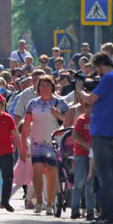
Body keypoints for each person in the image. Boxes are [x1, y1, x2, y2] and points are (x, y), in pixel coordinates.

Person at [74, 52, 113, 224]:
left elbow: (90, 99)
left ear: (102, 64)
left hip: (102, 130)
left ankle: (109, 215)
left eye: (97, 70)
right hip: (109, 129)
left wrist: (79, 88)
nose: (97, 74)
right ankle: (111, 213)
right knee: (110, 173)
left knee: (105, 175)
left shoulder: (109, 78)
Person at [22, 75, 69, 215]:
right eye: (41, 85)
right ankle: (39, 202)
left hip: (53, 142)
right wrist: (23, 142)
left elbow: (70, 121)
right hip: (36, 142)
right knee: (36, 171)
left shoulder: (60, 102)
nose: (44, 88)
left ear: (53, 86)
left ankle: (49, 203)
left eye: (47, 85)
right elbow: (26, 124)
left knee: (51, 172)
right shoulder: (33, 103)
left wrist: (58, 115)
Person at [71, 99, 95, 220]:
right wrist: (85, 145)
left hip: (92, 156)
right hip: (81, 154)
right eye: (88, 106)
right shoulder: (81, 120)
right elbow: (74, 135)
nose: (90, 108)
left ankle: (90, 210)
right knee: (79, 182)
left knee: (90, 184)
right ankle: (75, 209)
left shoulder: (97, 119)